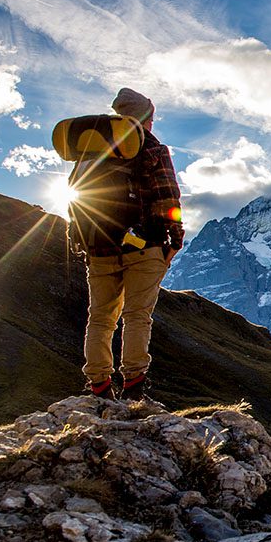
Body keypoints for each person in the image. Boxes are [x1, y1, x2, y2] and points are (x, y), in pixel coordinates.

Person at [77, 88, 184, 401]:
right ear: (146, 118)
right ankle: (134, 388)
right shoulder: (153, 148)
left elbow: (78, 197)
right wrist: (173, 240)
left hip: (99, 247)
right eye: (151, 116)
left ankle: (98, 386)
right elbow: (168, 197)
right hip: (144, 246)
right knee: (137, 316)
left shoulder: (92, 150)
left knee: (99, 317)